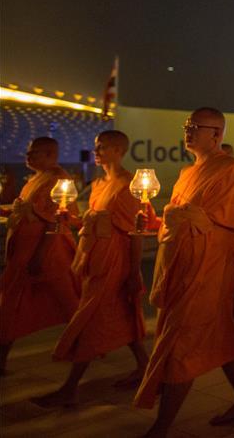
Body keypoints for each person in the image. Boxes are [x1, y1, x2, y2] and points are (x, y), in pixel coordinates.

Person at [134, 108, 234, 437]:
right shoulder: (188, 172)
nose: (188, 131)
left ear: (217, 134)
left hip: (211, 273)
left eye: (196, 127)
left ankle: (161, 427)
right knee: (222, 339)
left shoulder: (233, 170)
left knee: (180, 345)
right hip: (181, 270)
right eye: (187, 126)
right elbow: (180, 222)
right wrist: (150, 223)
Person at [32, 131, 148, 406]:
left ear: (119, 150)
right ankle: (145, 367)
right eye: (96, 146)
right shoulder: (98, 184)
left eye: (102, 147)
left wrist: (133, 272)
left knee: (89, 319)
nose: (96, 151)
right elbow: (91, 222)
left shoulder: (128, 185)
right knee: (118, 315)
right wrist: (69, 218)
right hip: (94, 258)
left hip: (115, 261)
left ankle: (70, 389)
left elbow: (135, 233)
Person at [0, 137, 80, 375]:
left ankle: (86, 344)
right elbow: (23, 209)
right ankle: (1, 358)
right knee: (11, 303)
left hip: (48, 253)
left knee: (68, 302)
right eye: (28, 153)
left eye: (34, 153)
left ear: (50, 155)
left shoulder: (59, 180)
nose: (28, 157)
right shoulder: (36, 179)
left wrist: (41, 254)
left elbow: (58, 220)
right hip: (23, 254)